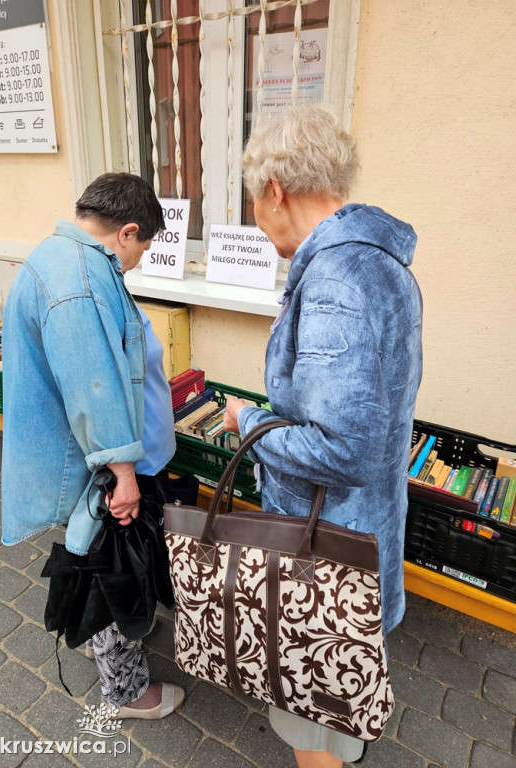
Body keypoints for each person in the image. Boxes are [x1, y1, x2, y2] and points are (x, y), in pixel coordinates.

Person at [223, 105, 423, 767]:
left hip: (325, 558)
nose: (257, 219)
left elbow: (344, 448)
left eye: (255, 202)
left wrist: (248, 423)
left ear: (276, 190)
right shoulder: (379, 265)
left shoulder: (337, 280)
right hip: (362, 537)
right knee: (337, 710)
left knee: (314, 722)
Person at [1, 172, 184, 719]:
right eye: (143, 250)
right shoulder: (80, 282)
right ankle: (127, 693)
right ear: (127, 232)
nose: (139, 262)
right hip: (100, 468)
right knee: (111, 570)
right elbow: (93, 387)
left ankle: (117, 655)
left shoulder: (59, 255)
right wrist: (123, 474)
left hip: (91, 458)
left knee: (109, 562)